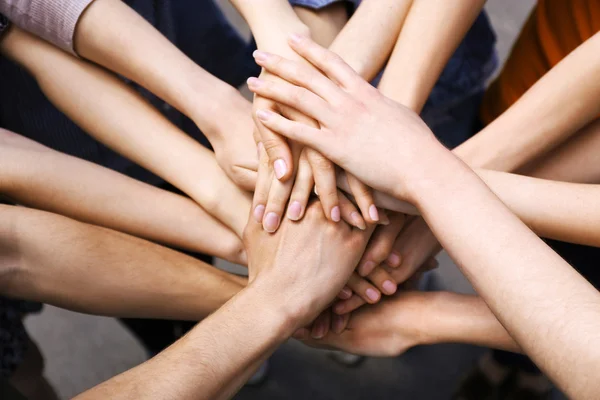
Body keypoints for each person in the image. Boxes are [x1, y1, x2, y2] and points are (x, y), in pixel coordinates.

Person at [246, 35, 600, 399]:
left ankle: (527, 375)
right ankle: (509, 366)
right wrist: (438, 185)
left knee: (579, 266)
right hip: (544, 79)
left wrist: (429, 180)